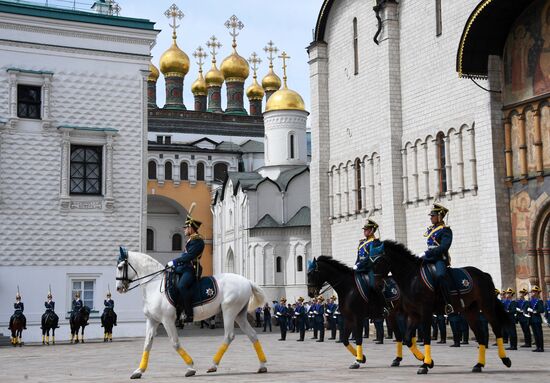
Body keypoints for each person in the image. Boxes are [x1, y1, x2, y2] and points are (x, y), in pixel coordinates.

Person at [166, 204, 205, 323]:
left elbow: (189, 256)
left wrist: (174, 261)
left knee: (182, 286)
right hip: (184, 267)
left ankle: (189, 313)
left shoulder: (198, 241)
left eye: (185, 227)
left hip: (191, 269)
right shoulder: (191, 240)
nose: (184, 230)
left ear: (191, 228)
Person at [419, 203, 454, 314]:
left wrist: (427, 253)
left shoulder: (445, 230)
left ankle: (448, 303)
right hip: (429, 258)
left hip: (439, 259)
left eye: (433, 216)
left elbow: (444, 247)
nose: (431, 218)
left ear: (439, 216)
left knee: (440, 275)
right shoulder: (431, 230)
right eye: (431, 216)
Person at [527, 286, 545, 352]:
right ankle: (537, 347)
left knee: (539, 334)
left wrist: (534, 311)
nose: (532, 293)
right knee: (535, 334)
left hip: (537, 319)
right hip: (532, 319)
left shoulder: (539, 301)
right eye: (532, 292)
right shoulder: (530, 301)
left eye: (534, 292)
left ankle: (541, 348)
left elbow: (542, 310)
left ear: (537, 293)